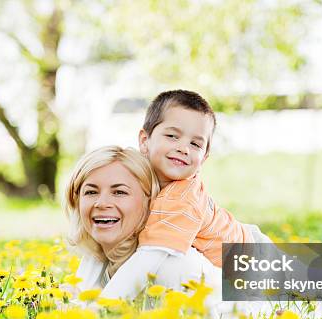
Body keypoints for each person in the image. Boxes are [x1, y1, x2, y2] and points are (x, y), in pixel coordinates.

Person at [100, 90, 271, 299]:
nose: (183, 148)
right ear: (145, 141)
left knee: (310, 296)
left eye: (195, 144)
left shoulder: (181, 197)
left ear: (204, 157)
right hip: (240, 238)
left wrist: (101, 306)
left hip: (251, 261)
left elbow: (148, 259)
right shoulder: (133, 174)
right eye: (172, 136)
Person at [64, 145, 223, 312]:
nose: (102, 203)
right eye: (91, 192)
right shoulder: (99, 260)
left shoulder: (174, 267)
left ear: (150, 200)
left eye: (119, 192)